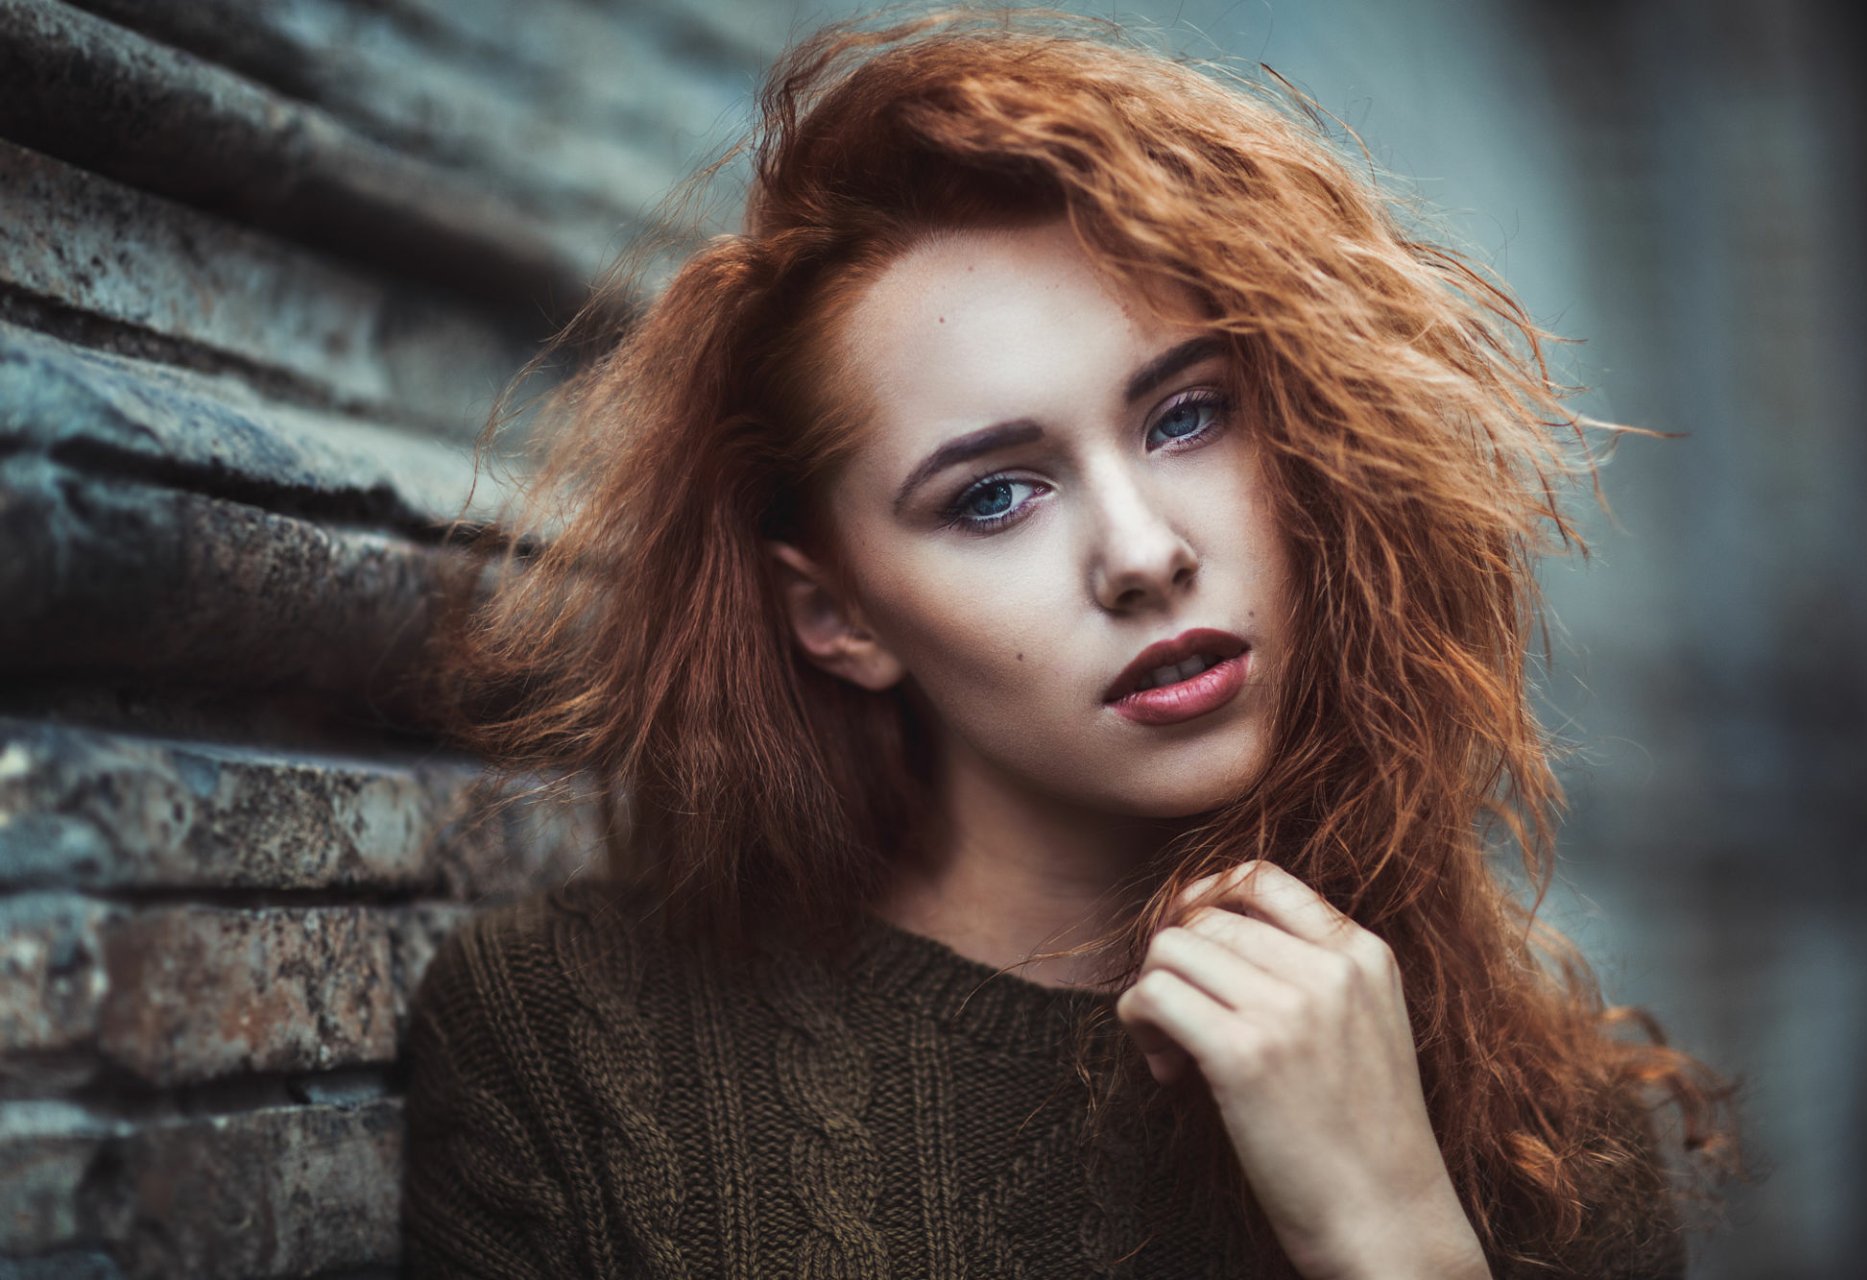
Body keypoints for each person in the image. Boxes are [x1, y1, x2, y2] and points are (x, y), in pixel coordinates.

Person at [399, 7, 1742, 1278]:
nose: (1145, 552)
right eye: (994, 495)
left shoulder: (1543, 1125)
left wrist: (1388, 1225)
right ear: (839, 617)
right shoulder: (573, 1042)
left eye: (1186, 417)